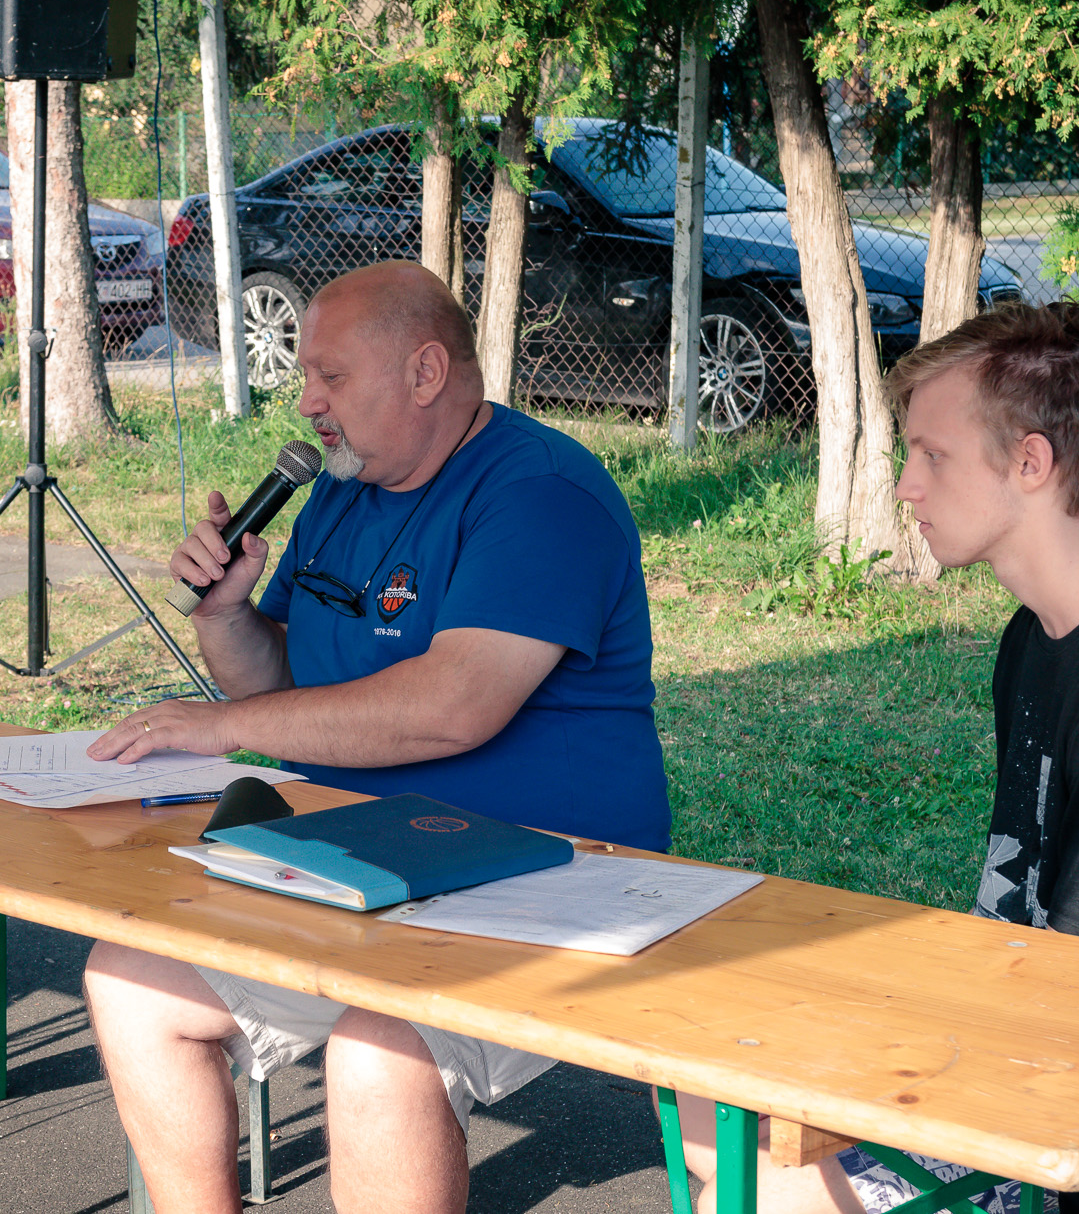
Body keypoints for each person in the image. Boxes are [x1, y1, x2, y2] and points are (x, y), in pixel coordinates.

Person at [673, 302, 1079, 1214]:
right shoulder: (1035, 635)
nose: (906, 485)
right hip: (1032, 1025)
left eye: (933, 455)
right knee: (704, 1079)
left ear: (1031, 463)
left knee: (763, 1180)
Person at [82, 260, 669, 1214]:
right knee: (130, 976)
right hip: (350, 861)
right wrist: (227, 618)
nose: (306, 401)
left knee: (377, 1050)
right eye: (305, 375)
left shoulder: (543, 491)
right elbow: (284, 683)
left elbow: (452, 705)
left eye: (332, 377)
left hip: (542, 877)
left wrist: (218, 726)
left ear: (425, 372)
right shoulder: (345, 491)